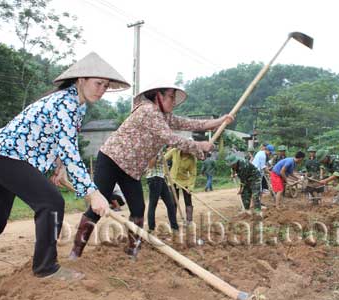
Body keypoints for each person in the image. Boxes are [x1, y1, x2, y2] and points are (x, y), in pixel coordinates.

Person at [0, 52, 128, 280]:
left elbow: (60, 141)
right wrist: (93, 193)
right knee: (51, 202)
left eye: (106, 86)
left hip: (8, 158)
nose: (101, 89)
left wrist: (60, 167)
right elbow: (70, 150)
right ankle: (46, 268)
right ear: (81, 80)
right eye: (98, 83)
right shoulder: (64, 103)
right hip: (7, 155)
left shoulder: (78, 107)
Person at [69, 81, 233, 259]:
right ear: (158, 96)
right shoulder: (148, 110)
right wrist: (199, 145)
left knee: (138, 209)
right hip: (111, 160)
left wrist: (220, 121)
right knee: (95, 209)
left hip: (131, 169)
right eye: (170, 96)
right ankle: (76, 252)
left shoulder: (165, 116)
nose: (173, 101)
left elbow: (190, 123)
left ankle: (133, 250)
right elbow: (170, 138)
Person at [145, 147, 179, 233]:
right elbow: (151, 165)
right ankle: (151, 228)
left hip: (161, 177)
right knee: (153, 203)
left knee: (170, 204)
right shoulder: (151, 148)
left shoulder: (159, 148)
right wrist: (155, 154)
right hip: (154, 178)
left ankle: (174, 227)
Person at [165, 148, 197, 224]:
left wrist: (190, 187)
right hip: (172, 180)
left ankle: (189, 220)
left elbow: (193, 174)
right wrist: (165, 172)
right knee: (173, 202)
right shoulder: (174, 151)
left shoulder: (192, 158)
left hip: (185, 181)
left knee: (188, 200)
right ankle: (173, 221)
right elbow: (163, 159)